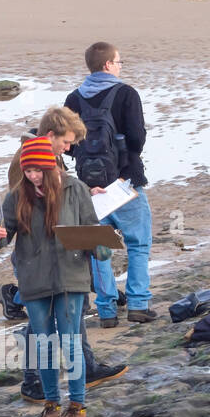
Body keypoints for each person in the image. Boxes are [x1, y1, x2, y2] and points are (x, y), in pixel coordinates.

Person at [4, 107, 127, 402]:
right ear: (50, 136)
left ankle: (84, 368)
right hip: (38, 255)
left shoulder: (52, 160)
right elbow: (23, 209)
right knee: (41, 323)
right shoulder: (26, 163)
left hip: (60, 256)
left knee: (71, 314)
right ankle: (34, 381)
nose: (69, 148)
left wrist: (82, 194)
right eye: (66, 142)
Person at [0, 138, 98, 417]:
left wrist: (101, 246)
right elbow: (1, 237)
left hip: (70, 277)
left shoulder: (75, 189)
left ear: (51, 166)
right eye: (28, 171)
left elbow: (93, 228)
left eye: (38, 170)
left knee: (69, 341)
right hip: (33, 278)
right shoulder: (17, 196)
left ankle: (77, 408)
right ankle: (51, 406)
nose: (33, 176)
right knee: (44, 343)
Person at [65, 42, 156, 325]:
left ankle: (106, 311)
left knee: (98, 249)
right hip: (125, 182)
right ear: (107, 65)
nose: (119, 66)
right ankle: (138, 305)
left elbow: (68, 146)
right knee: (138, 243)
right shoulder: (126, 93)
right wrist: (123, 168)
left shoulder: (73, 98)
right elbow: (137, 139)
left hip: (88, 186)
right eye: (118, 62)